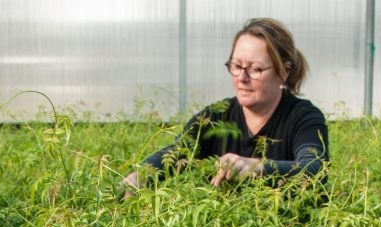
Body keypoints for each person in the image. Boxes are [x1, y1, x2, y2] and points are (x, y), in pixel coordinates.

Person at [123, 17, 328, 191]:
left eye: (255, 69)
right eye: (236, 66)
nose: (242, 77)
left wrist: (259, 167)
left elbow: (314, 167)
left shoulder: (303, 117)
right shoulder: (217, 116)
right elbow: (178, 151)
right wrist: (140, 176)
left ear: (283, 71)